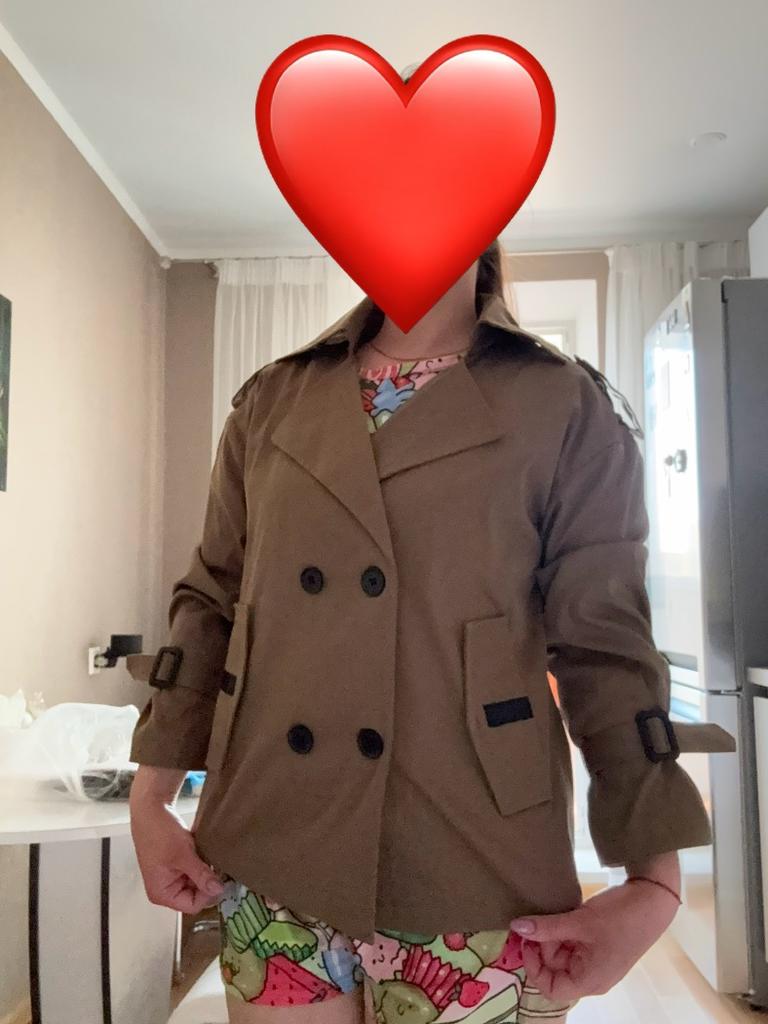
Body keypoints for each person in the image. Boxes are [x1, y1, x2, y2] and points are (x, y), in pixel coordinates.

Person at [128, 64, 734, 1024]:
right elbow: (210, 598)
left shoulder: (563, 405)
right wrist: (152, 795)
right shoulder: (273, 400)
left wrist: (655, 880)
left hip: (475, 861)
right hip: (272, 847)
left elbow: (603, 645)